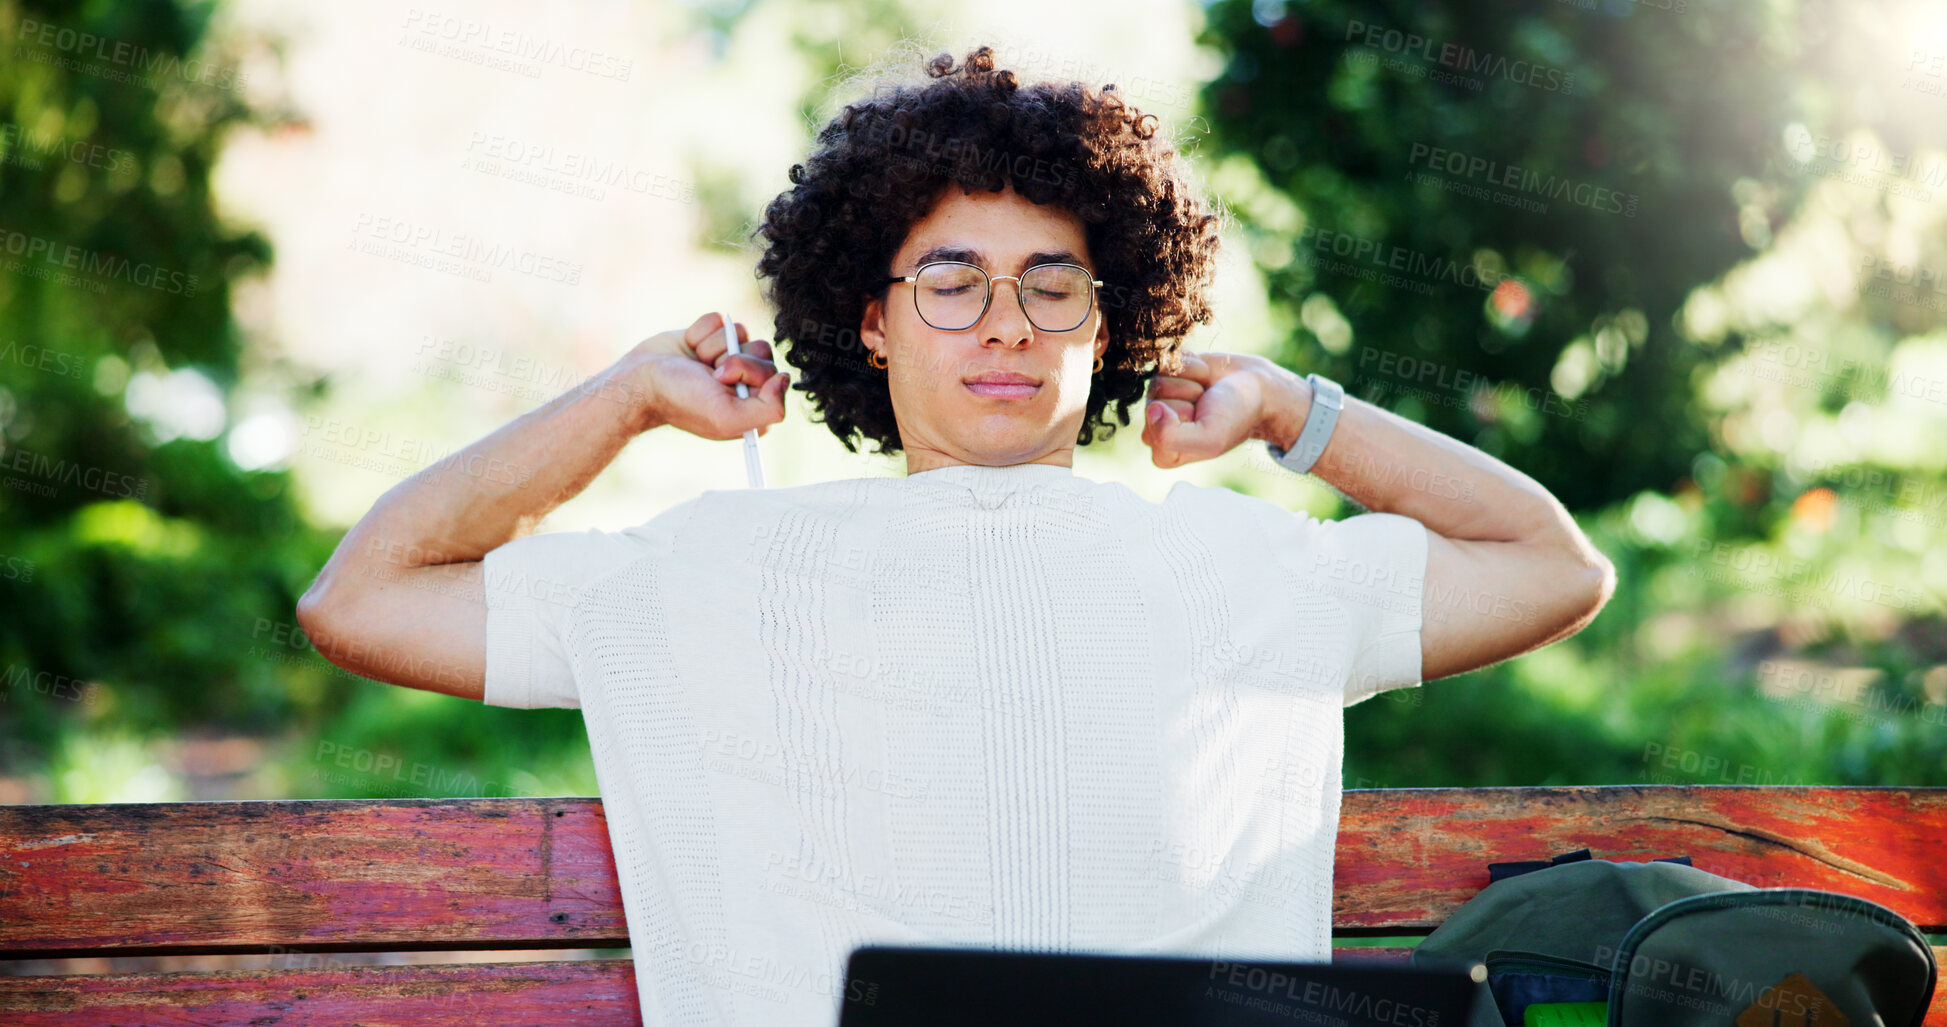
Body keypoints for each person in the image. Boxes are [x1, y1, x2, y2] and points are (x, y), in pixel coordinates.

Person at [297, 45, 1614, 1027]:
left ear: (1110, 327)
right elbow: (361, 597)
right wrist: (628, 397)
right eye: (951, 281)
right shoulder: (708, 569)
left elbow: (1554, 567)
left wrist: (1295, 415)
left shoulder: (1246, 567)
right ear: (868, 317)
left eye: (1053, 287)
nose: (1004, 324)